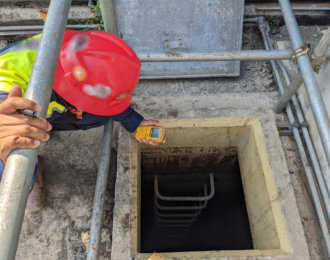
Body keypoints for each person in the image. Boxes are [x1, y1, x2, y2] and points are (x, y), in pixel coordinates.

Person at [0, 30, 166, 212]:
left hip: (48, 104)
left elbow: (104, 92)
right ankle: (29, 172)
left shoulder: (79, 50)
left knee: (99, 115)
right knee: (12, 148)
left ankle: (46, 128)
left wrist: (134, 122)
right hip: (19, 113)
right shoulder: (8, 89)